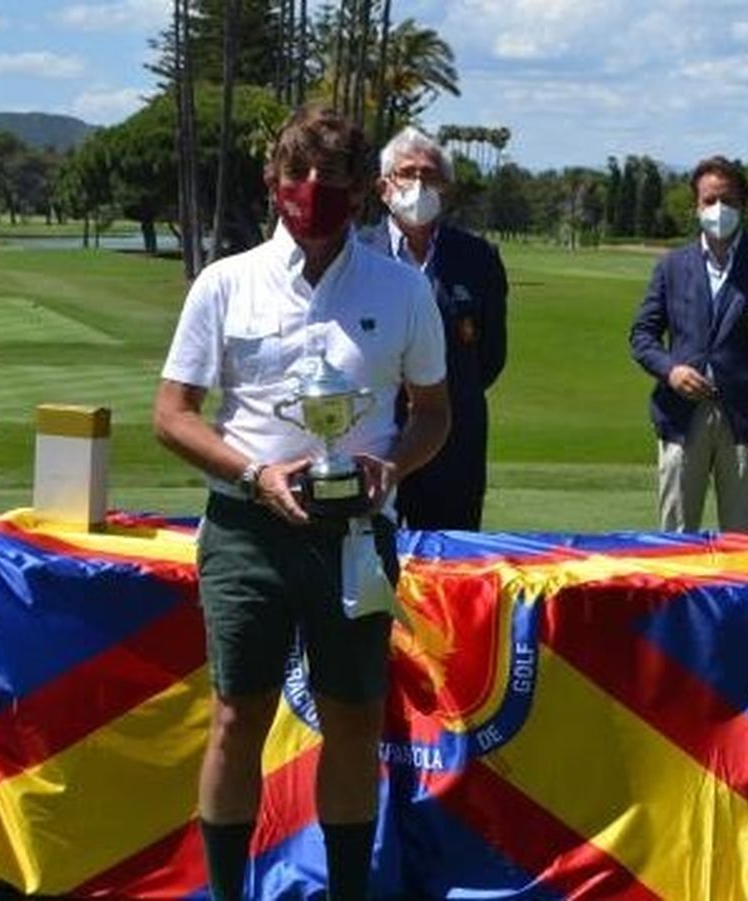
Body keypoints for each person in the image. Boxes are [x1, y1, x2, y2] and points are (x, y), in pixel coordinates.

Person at [153, 105, 449, 899]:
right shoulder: (225, 282)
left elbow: (432, 412)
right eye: (298, 175)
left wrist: (391, 466)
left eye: (332, 179)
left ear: (360, 191)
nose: (313, 191)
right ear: (273, 182)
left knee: (352, 720)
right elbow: (173, 415)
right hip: (247, 529)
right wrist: (254, 474)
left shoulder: (403, 288)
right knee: (235, 716)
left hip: (356, 534)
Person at [628, 155, 748, 533]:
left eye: (727, 200)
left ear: (742, 205)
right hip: (680, 416)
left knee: (740, 543)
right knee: (676, 538)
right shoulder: (672, 266)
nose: (718, 209)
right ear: (697, 206)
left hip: (747, 421)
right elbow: (642, 336)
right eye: (709, 200)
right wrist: (670, 370)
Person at [362, 126, 507, 531]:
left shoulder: (478, 258)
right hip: (373, 440)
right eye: (408, 173)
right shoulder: (356, 254)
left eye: (431, 176)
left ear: (446, 189)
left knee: (449, 570)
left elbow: (491, 357)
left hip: (455, 443)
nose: (419, 184)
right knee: (369, 559)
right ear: (383, 186)